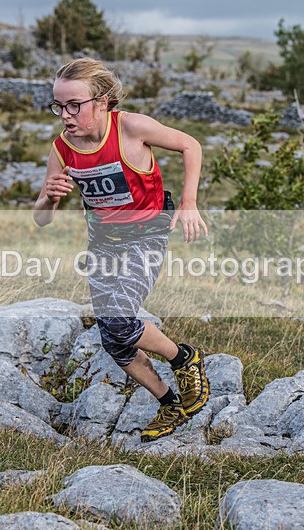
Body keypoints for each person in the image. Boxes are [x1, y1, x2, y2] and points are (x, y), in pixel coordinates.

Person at [33, 58, 210, 442]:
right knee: (113, 339)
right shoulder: (62, 149)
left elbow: (190, 145)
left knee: (117, 320)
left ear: (102, 101)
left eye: (73, 105)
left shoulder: (129, 127)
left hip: (146, 234)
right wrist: (48, 198)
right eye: (58, 106)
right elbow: (41, 219)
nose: (65, 115)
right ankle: (170, 405)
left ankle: (184, 359)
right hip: (103, 243)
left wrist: (189, 199)